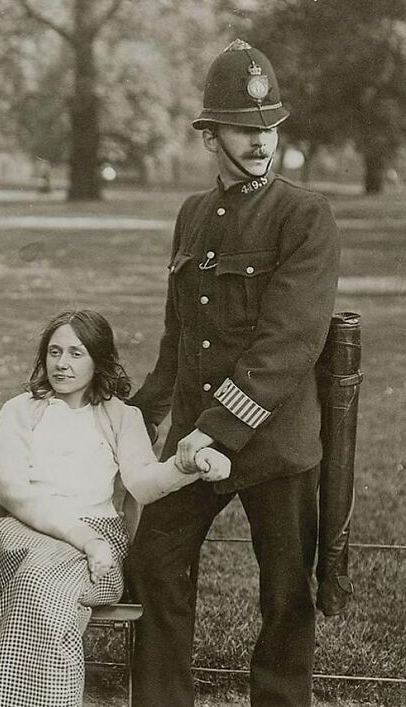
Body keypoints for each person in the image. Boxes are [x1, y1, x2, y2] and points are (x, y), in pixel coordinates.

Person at [126, 39, 341, 707]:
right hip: (194, 437)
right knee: (154, 561)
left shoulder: (303, 214)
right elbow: (178, 334)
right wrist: (133, 414)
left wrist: (217, 429)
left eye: (268, 127)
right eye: (245, 129)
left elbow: (289, 342)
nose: (260, 142)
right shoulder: (193, 214)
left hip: (274, 443)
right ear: (209, 134)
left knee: (285, 592)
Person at [0, 309, 231, 707]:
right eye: (54, 352)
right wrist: (84, 539)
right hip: (23, 533)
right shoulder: (18, 411)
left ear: (99, 359)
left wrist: (184, 466)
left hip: (100, 546)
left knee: (41, 589)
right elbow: (13, 492)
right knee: (36, 581)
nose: (62, 364)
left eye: (77, 353)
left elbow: (144, 485)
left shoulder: (121, 416)